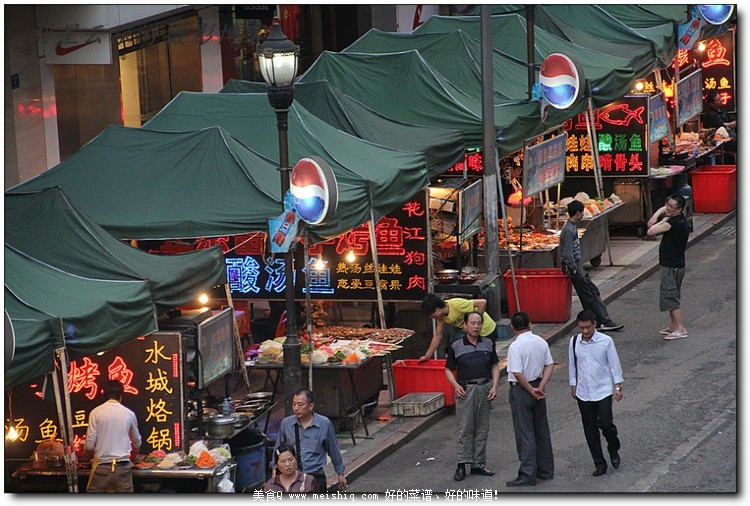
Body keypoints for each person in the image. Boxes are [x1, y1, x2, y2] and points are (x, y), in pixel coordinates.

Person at [444, 311, 500, 482]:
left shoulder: (488, 344)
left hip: (485, 388)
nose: (476, 326)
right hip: (466, 390)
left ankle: (478, 464)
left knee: (482, 428)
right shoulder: (456, 346)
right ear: (465, 325)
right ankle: (462, 464)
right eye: (473, 323)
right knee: (465, 428)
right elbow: (448, 369)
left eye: (479, 323)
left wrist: (495, 386)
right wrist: (455, 385)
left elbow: (495, 366)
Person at [568, 310, 624, 477]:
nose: (585, 332)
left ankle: (613, 447)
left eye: (588, 328)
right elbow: (573, 364)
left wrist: (618, 387)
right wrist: (573, 385)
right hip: (584, 391)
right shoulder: (574, 342)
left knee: (606, 424)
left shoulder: (606, 341)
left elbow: (614, 365)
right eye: (581, 328)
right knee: (590, 429)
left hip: (603, 390)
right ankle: (599, 463)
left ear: (594, 324)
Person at [505, 311, 555, 487]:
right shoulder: (540, 342)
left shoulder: (515, 347)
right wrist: (540, 386)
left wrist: (530, 389)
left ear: (512, 327)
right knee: (541, 429)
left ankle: (527, 473)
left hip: (522, 390)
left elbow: (517, 373)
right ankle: (546, 469)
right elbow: (549, 364)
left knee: (525, 431)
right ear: (530, 324)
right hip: (538, 386)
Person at [560, 200, 623, 332]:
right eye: (582, 212)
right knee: (590, 294)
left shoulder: (571, 227)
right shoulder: (568, 230)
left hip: (577, 266)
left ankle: (599, 321)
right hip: (575, 267)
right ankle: (603, 321)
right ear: (578, 213)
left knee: (590, 293)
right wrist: (574, 270)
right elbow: (567, 254)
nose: (583, 214)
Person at [275, 389, 346, 492]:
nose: (296, 408)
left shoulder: (324, 424)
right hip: (292, 478)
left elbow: (333, 450)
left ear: (311, 406)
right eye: (293, 404)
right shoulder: (286, 424)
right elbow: (277, 452)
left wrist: (340, 473)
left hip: (315, 477)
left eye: (300, 404)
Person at [84, 379, 142, 493]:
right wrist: (133, 458)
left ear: (104, 395)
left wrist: (93, 457)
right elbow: (137, 443)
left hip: (101, 468)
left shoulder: (95, 413)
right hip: (123, 468)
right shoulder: (129, 414)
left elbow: (89, 446)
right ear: (121, 395)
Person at [647, 195, 690, 340]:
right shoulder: (675, 218)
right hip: (672, 264)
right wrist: (657, 215)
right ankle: (673, 325)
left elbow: (651, 230)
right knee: (669, 295)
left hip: (672, 266)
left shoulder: (675, 223)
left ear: (679, 209)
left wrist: (660, 219)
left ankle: (680, 328)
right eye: (668, 205)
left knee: (671, 296)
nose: (668, 208)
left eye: (672, 207)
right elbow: (663, 210)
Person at [419, 294, 498, 361]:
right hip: (473, 335)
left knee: (486, 358)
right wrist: (427, 356)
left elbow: (482, 303)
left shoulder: (457, 304)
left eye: (430, 314)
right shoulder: (441, 317)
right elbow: (438, 335)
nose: (431, 317)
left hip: (487, 330)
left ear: (437, 309)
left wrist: (476, 323)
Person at [703, 90, 736, 154]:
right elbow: (722, 126)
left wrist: (729, 124)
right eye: (718, 100)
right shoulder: (710, 115)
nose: (721, 100)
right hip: (720, 141)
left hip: (730, 134)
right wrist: (729, 125)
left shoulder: (722, 110)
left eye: (720, 98)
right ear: (712, 104)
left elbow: (732, 120)